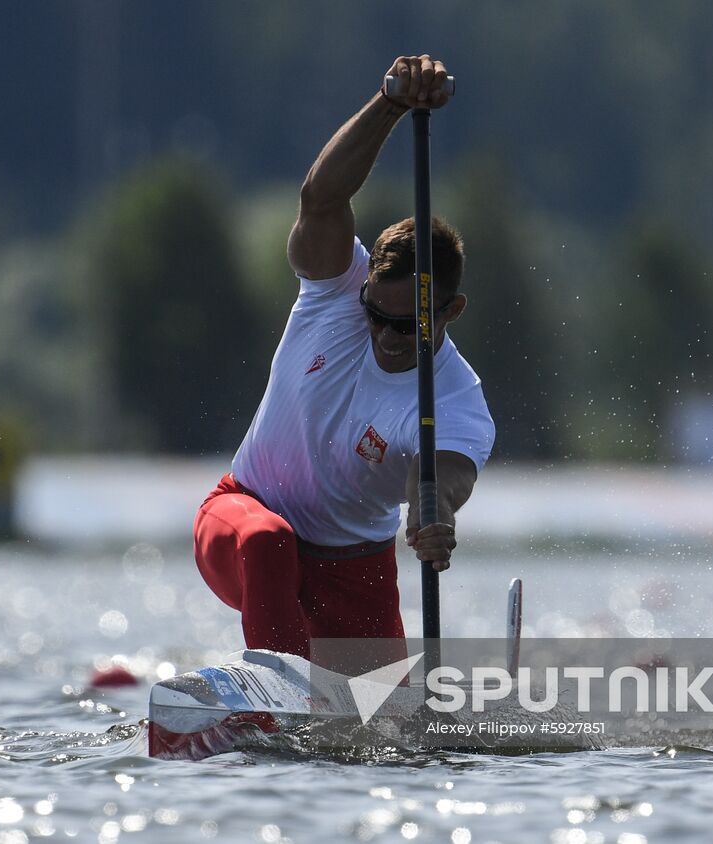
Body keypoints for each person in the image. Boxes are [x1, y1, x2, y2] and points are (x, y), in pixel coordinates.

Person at [193, 55, 495, 661]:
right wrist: (391, 102)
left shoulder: (457, 397)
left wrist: (432, 513)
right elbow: (321, 198)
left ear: (452, 310)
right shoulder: (335, 290)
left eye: (408, 324)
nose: (386, 334)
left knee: (389, 736)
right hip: (242, 517)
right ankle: (276, 699)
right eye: (376, 315)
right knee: (269, 541)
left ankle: (325, 717)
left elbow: (444, 475)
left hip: (355, 566)